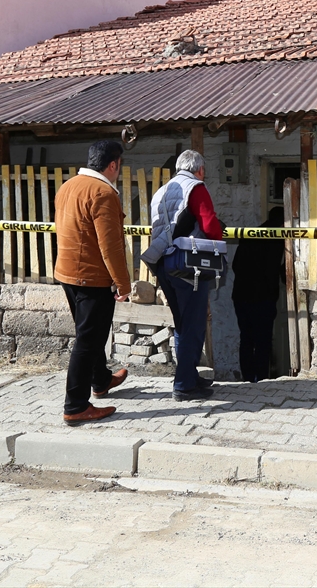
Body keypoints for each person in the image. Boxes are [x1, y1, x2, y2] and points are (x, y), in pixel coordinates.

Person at [54, 140, 131, 425]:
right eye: (119, 165)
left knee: (92, 333)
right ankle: (75, 405)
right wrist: (123, 283)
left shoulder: (68, 186)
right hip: (91, 276)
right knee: (88, 340)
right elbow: (110, 246)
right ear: (114, 164)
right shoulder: (103, 193)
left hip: (68, 272)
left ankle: (100, 381)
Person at [148, 149, 224, 400]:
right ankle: (183, 385)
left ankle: (190, 376)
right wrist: (220, 234)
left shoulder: (163, 190)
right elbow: (210, 226)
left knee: (183, 323)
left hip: (164, 263)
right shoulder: (196, 188)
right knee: (193, 324)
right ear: (199, 169)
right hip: (189, 265)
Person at [231, 206, 285, 382]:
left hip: (241, 295)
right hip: (262, 297)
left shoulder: (251, 234)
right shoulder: (277, 237)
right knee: (263, 340)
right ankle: (261, 378)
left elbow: (236, 265)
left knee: (246, 338)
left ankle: (248, 378)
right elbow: (272, 271)